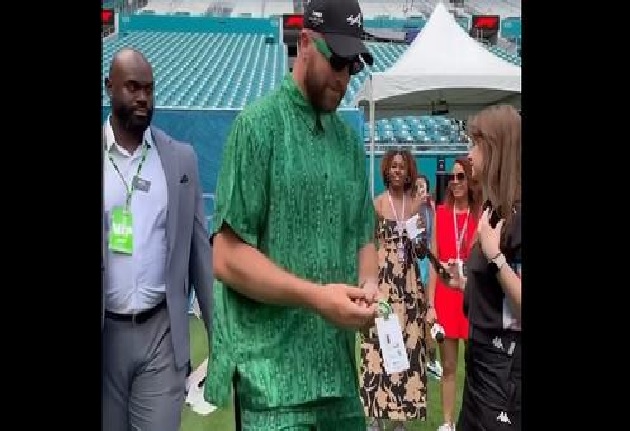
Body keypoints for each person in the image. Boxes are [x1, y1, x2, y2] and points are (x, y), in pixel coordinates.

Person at [204, 0, 379, 430]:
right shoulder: (257, 127)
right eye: (336, 60)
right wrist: (317, 297)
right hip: (272, 388)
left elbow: (365, 239)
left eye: (352, 66)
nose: (343, 77)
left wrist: (370, 285)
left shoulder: (350, 145)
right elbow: (225, 257)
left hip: (338, 382)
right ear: (304, 42)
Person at [102, 48, 214, 431]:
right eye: (132, 87)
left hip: (162, 335)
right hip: (106, 335)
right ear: (109, 88)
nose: (143, 98)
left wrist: (219, 338)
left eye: (149, 89)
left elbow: (201, 253)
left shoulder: (180, 160)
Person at [457, 105, 522, 431]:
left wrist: (495, 257)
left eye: (477, 144)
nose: (469, 154)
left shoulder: (518, 217)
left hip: (504, 370)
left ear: (496, 150)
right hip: (480, 364)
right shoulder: (492, 211)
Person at [359, 149, 428, 431]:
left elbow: (422, 252)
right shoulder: (376, 206)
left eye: (403, 167)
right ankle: (375, 415)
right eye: (393, 167)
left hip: (409, 283)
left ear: (409, 171)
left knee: (409, 347)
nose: (398, 171)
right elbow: (366, 247)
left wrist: (418, 231)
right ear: (386, 171)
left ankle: (400, 419)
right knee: (379, 345)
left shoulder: (415, 205)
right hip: (384, 281)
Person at [425, 157, 482, 431]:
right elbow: (433, 260)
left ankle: (474, 418)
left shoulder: (481, 214)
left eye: (461, 177)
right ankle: (447, 422)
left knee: (476, 366)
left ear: (471, 181)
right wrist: (430, 303)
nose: (456, 182)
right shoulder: (441, 212)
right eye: (453, 177)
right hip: (446, 297)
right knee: (448, 365)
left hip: (472, 294)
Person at [414, 174, 442, 380]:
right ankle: (421, 358)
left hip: (428, 266)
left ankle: (431, 359)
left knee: (427, 314)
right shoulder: (410, 208)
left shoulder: (433, 209)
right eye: (417, 187)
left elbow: (434, 240)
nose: (420, 190)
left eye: (423, 187)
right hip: (413, 264)